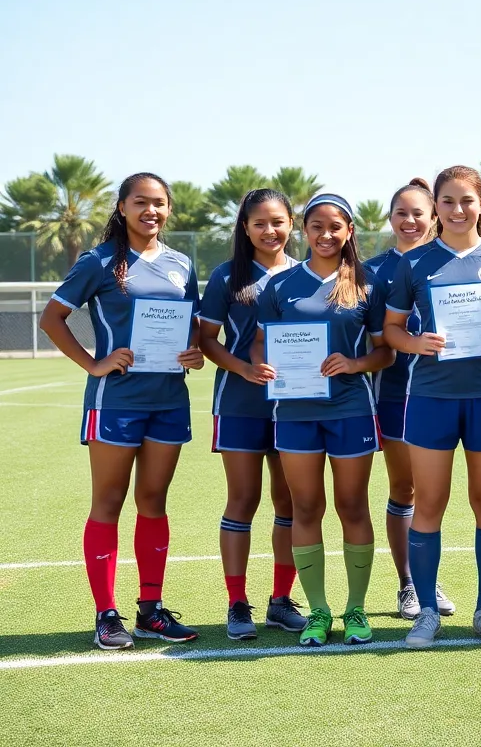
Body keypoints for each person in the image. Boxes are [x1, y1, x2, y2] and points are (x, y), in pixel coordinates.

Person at [39, 172, 204, 650]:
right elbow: (52, 318)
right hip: (117, 401)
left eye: (158, 203)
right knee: (108, 502)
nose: (150, 211)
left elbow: (189, 327)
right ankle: (106, 614)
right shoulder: (100, 261)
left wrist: (192, 352)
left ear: (168, 209)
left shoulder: (179, 264)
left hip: (169, 400)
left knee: (153, 502)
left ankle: (150, 611)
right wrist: (95, 364)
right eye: (140, 202)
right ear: (123, 207)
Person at [383, 165, 481, 649]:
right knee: (429, 505)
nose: (458, 210)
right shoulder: (415, 263)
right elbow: (392, 329)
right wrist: (415, 343)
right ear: (437, 206)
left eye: (467, 201)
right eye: (448, 201)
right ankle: (426, 610)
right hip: (429, 398)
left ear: (480, 205)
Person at [251, 192, 395, 647]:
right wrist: (262, 364)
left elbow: (385, 352)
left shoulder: (367, 285)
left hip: (350, 409)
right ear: (303, 230)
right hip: (295, 413)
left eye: (335, 227)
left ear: (349, 231)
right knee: (305, 508)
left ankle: (355, 609)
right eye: (317, 226)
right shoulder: (280, 285)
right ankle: (317, 611)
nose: (326, 235)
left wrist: (354, 365)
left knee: (352, 506)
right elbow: (259, 343)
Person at [198, 188, 307, 640]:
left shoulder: (306, 275)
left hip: (294, 406)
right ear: (245, 228)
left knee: (292, 505)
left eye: (278, 221)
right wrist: (243, 367)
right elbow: (205, 339)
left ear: (291, 225)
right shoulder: (227, 277)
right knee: (243, 500)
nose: (270, 230)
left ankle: (280, 602)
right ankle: (236, 603)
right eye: (259, 223)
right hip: (240, 405)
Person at [364, 178, 456, 621]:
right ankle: (408, 584)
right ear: (390, 218)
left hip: (446, 392)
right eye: (401, 212)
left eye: (419, 212)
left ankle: (426, 578)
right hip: (393, 391)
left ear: (434, 215)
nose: (410, 220)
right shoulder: (369, 272)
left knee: (431, 493)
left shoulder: (450, 264)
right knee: (406, 488)